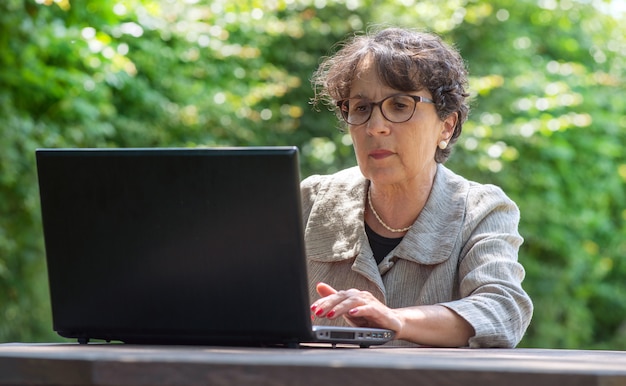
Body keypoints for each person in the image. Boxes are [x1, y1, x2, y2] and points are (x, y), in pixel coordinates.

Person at [302, 27, 533, 348]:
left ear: (447, 126)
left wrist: (397, 320)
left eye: (399, 105)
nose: (375, 127)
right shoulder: (309, 200)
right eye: (360, 107)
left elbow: (502, 310)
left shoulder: (482, 209)